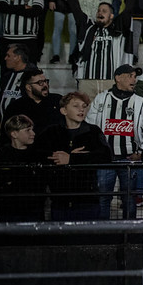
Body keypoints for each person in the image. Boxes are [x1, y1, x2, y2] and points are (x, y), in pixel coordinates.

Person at [88, 64, 143, 219]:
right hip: (105, 159)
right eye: (130, 76)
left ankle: (129, 235)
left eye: (135, 76)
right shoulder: (101, 99)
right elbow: (91, 126)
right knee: (104, 197)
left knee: (129, 198)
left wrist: (140, 152)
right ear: (118, 78)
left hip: (129, 160)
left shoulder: (141, 102)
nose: (134, 79)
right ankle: (103, 234)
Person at [37, 92, 112, 220]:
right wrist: (65, 155)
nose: (81, 109)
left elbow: (106, 156)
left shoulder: (93, 132)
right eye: (76, 106)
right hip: (60, 199)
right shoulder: (51, 132)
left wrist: (71, 159)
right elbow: (37, 153)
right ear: (64, 110)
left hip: (87, 199)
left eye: (84, 106)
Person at [0, 115, 46, 222]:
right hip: (8, 210)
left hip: (33, 209)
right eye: (27, 130)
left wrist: (13, 177)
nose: (33, 133)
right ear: (14, 134)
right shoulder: (1, 154)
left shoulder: (37, 154)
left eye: (32, 130)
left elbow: (41, 179)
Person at [0, 0, 44, 71]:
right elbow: (2, 8)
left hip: (28, 40)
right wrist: (24, 7)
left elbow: (35, 12)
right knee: (6, 71)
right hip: (8, 39)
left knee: (29, 72)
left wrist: (12, 8)